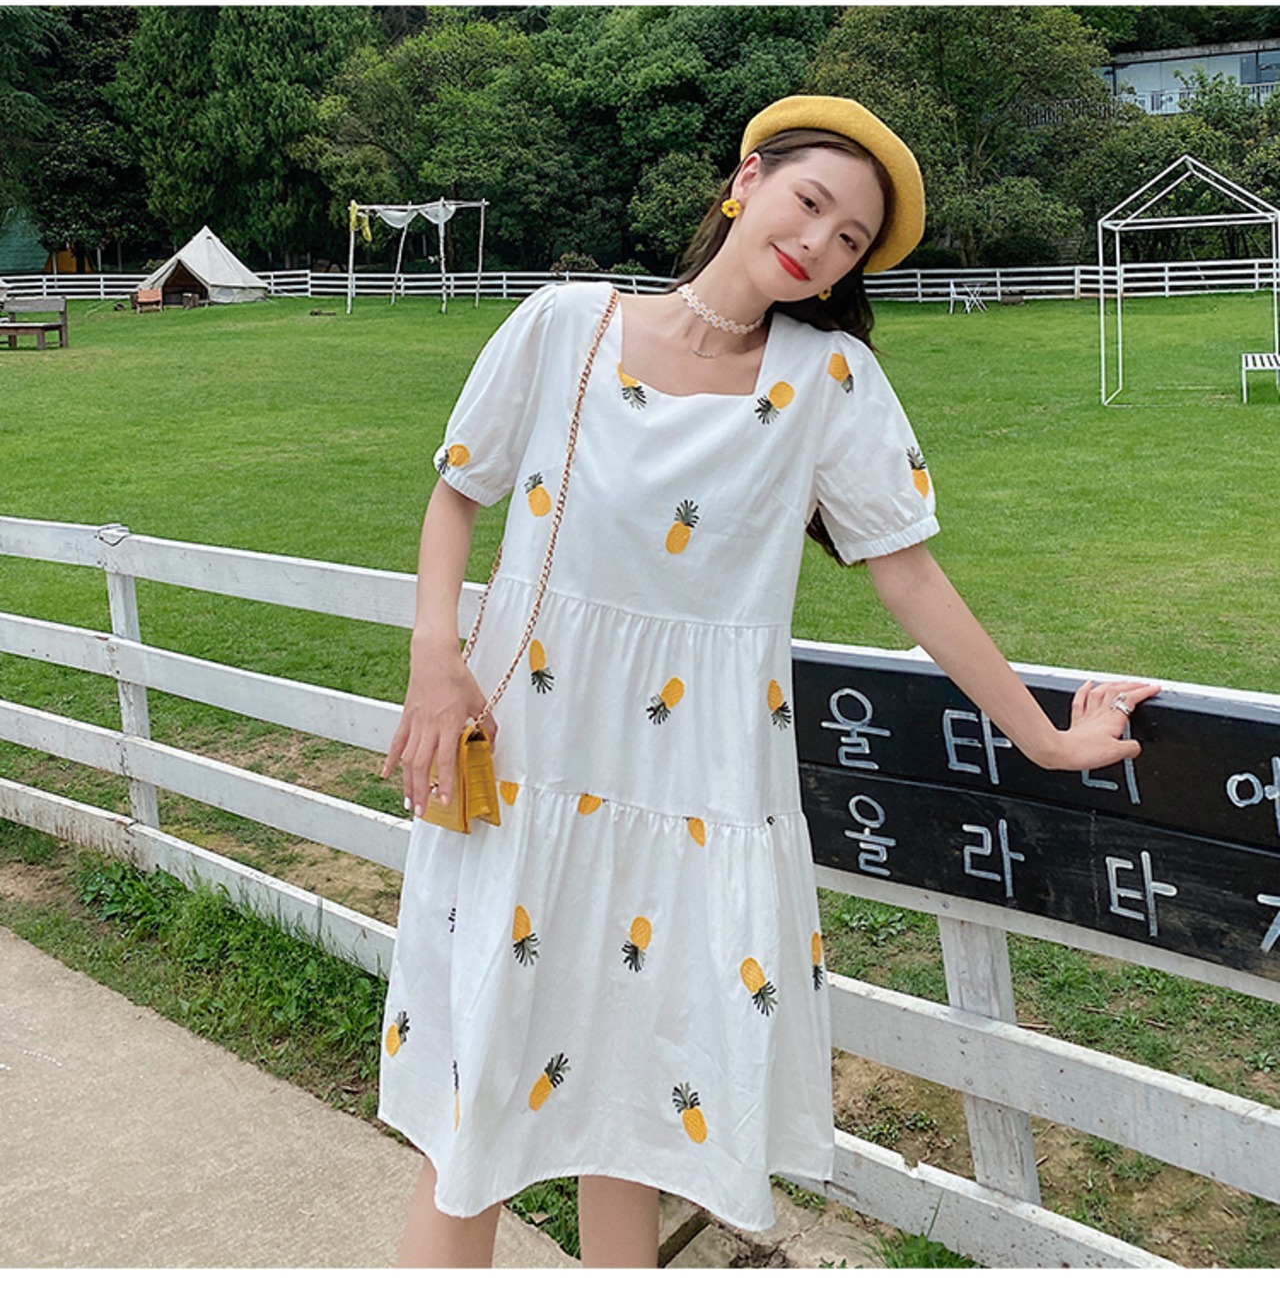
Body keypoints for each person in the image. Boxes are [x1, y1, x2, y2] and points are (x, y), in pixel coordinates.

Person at [378, 94, 1158, 1268]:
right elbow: (457, 489)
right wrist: (432, 657)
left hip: (692, 790)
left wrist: (1045, 739)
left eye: (850, 240)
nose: (819, 242)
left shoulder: (827, 379)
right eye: (810, 202)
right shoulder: (563, 324)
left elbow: (909, 578)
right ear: (745, 180)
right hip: (528, 760)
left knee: (631, 1116)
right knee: (470, 1107)